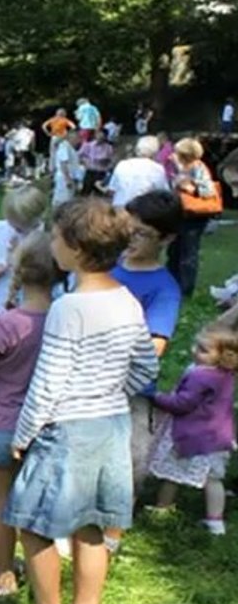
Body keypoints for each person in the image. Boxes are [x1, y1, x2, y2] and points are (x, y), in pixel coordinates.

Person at [0, 198, 158, 604]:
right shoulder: (126, 300)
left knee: (33, 523)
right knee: (92, 522)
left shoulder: (69, 307)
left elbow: (49, 380)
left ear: (78, 249)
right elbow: (145, 368)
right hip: (111, 424)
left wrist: (23, 433)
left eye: (58, 238)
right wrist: (110, 391)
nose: (53, 246)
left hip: (64, 429)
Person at [0, 232, 58, 598]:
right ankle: (40, 577)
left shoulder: (5, 323)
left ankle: (2, 575)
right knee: (35, 504)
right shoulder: (62, 319)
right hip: (45, 424)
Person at [112, 191, 183, 502]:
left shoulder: (163, 288)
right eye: (128, 228)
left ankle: (114, 522)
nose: (131, 237)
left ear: (166, 239)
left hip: (131, 390)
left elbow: (155, 346)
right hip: (89, 383)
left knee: (127, 457)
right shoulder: (108, 265)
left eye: (143, 233)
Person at [148, 324, 238, 534]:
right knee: (213, 479)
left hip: (192, 435)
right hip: (217, 436)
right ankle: (215, 521)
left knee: (172, 472)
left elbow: (183, 404)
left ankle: (163, 507)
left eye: (203, 350)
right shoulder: (225, 374)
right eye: (196, 346)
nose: (194, 351)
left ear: (222, 356)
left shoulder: (200, 376)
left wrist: (157, 397)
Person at [0, 184, 46, 328]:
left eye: (22, 224)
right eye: (12, 221)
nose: (15, 228)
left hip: (32, 314)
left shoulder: (46, 238)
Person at [167, 138, 219, 297]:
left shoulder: (198, 167)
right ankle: (171, 283)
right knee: (174, 251)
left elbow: (209, 191)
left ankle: (185, 289)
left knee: (188, 252)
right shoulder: (184, 167)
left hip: (194, 216)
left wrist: (190, 188)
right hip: (181, 214)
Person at [105, 135, 170, 208]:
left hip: (119, 208)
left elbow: (111, 191)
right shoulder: (157, 168)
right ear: (156, 151)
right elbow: (163, 193)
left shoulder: (122, 164)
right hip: (142, 211)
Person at [77, 129, 114, 196]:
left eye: (102, 136)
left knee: (100, 193)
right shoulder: (88, 145)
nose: (100, 137)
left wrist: (106, 162)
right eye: (99, 135)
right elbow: (80, 156)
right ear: (95, 135)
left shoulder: (108, 147)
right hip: (90, 171)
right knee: (85, 193)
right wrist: (85, 162)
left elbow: (111, 161)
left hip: (101, 173)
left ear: (105, 137)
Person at [52, 130, 83, 207]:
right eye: (78, 138)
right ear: (71, 137)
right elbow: (63, 163)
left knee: (68, 200)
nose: (79, 140)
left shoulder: (70, 148)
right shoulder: (64, 146)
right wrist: (67, 179)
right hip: (64, 178)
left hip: (69, 177)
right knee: (62, 200)